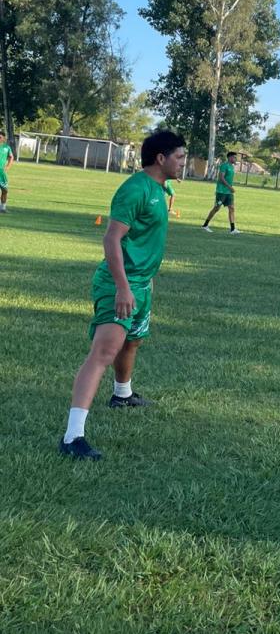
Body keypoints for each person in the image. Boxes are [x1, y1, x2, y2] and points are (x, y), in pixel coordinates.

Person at [58, 129, 187, 460]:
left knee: (132, 342)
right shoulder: (135, 189)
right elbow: (111, 239)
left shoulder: (160, 187)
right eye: (179, 156)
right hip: (120, 284)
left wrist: (144, 282)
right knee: (103, 352)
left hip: (142, 283)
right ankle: (72, 438)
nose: (183, 163)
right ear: (161, 158)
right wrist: (123, 287)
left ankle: (122, 394)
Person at [201, 151, 240, 234]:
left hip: (228, 192)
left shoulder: (232, 167)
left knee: (232, 208)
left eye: (236, 157)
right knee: (216, 208)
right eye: (234, 157)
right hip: (221, 191)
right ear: (229, 158)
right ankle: (205, 225)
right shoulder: (224, 166)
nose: (235, 159)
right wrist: (230, 187)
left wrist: (230, 189)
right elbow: (221, 178)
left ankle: (232, 229)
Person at [0, 129, 15, 213]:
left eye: (0, 137)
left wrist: (8, 167)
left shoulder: (6, 147)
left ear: (3, 138)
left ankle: (3, 208)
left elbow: (11, 157)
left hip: (2, 172)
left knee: (5, 190)